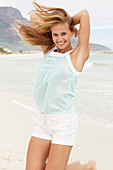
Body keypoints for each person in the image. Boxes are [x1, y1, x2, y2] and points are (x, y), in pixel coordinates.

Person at [15, 1, 97, 170]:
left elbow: (84, 14)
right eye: (55, 34)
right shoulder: (49, 50)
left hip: (63, 123)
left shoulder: (77, 57)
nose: (59, 39)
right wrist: (59, 25)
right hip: (42, 120)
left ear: (73, 32)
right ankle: (76, 167)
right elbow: (34, 19)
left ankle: (87, 167)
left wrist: (68, 22)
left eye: (64, 34)